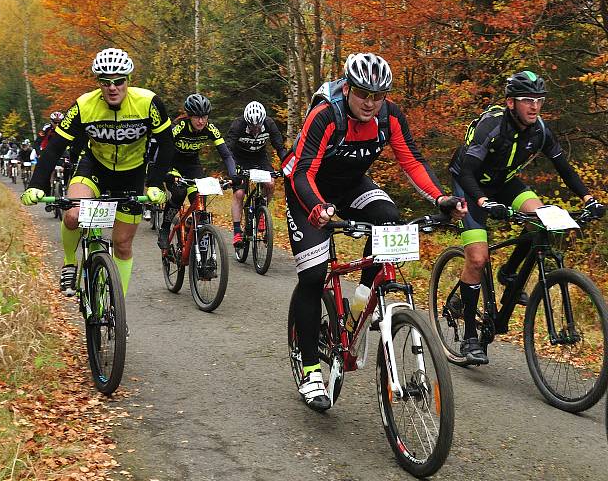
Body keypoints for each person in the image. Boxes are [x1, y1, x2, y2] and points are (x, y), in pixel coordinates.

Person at [283, 52, 466, 411]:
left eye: (378, 95)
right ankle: (309, 370)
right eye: (363, 93)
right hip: (308, 188)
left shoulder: (389, 115)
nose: (370, 102)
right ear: (348, 88)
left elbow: (411, 159)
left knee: (388, 215)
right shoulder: (327, 115)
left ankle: (361, 300)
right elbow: (302, 171)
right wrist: (319, 208)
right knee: (313, 275)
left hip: (351, 184)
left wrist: (441, 197)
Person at [448, 70, 605, 365]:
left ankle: (508, 273)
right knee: (478, 258)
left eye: (539, 101)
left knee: (543, 216)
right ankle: (470, 337)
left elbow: (564, 168)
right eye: (527, 100)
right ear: (511, 103)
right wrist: (483, 201)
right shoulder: (491, 127)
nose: (534, 107)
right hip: (469, 185)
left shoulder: (540, 130)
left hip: (504, 182)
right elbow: (467, 171)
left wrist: (589, 199)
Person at [20, 48, 174, 297]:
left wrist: (155, 183)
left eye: (118, 81)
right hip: (94, 167)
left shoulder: (149, 103)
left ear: (129, 81)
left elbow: (167, 145)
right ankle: (70, 262)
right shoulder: (84, 105)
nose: (112, 87)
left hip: (132, 173)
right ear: (98, 83)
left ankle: (117, 305)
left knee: (122, 245)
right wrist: (37, 185)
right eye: (105, 81)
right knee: (73, 215)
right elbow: (54, 148)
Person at [156, 93, 237, 249]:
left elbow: (226, 154)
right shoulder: (179, 127)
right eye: (197, 117)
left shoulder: (210, 129)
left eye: (204, 117)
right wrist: (164, 172)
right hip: (173, 164)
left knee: (199, 200)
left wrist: (233, 175)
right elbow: (163, 150)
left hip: (192, 165)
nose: (201, 121)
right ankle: (165, 228)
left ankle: (192, 227)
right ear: (189, 116)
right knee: (179, 193)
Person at [226, 101, 288, 247]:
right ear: (246, 122)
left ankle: (261, 211)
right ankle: (236, 231)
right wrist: (233, 171)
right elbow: (227, 150)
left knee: (271, 183)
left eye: (258, 126)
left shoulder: (270, 124)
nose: (255, 130)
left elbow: (280, 148)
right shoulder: (238, 125)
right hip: (239, 158)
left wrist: (287, 166)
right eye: (252, 127)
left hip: (259, 157)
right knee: (240, 193)